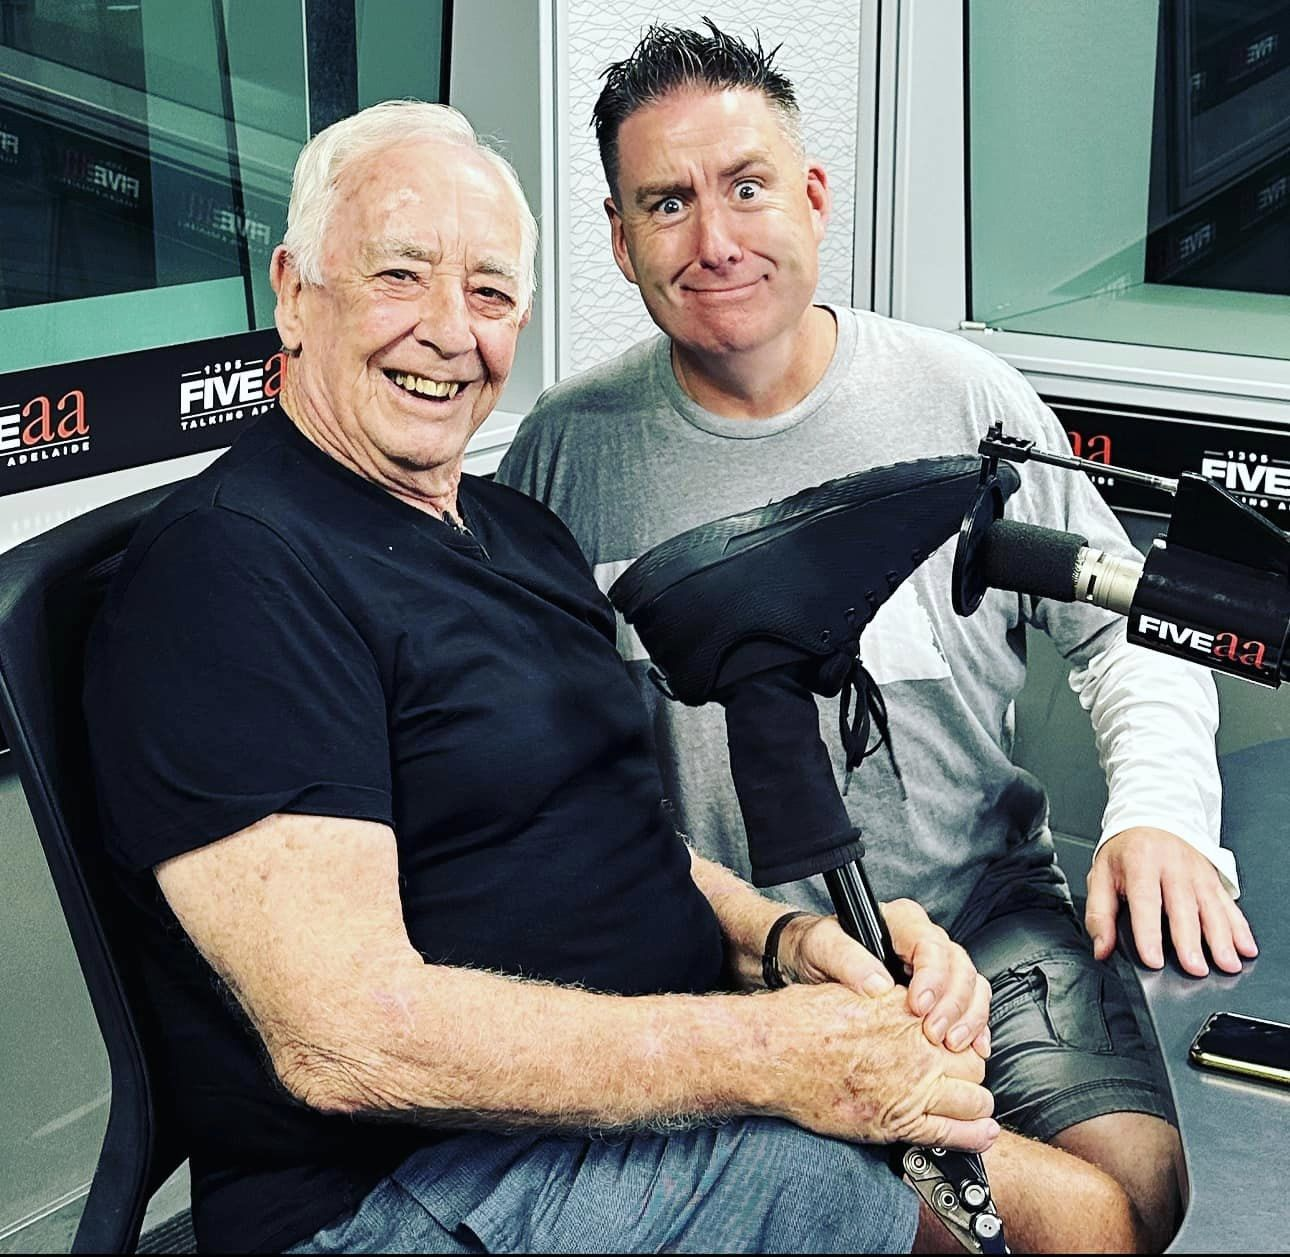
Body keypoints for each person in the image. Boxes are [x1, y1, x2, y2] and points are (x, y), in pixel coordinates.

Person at [81, 99, 1068, 1256]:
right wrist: (772, 1055)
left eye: (490, 292)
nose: (449, 332)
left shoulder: (517, 532)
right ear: (296, 293)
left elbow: (619, 843)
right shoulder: (232, 571)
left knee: (1097, 1207)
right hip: (412, 1195)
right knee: (1051, 1226)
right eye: (401, 275)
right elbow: (347, 1038)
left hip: (610, 1115)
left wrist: (786, 947)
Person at [496, 21, 1259, 1252]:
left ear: (813, 196)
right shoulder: (563, 454)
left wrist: (1161, 813)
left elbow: (1128, 630)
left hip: (981, 909)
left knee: (1127, 1190)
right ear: (621, 238)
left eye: (747, 187)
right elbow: (537, 770)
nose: (716, 240)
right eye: (668, 203)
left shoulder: (965, 402)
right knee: (964, 1227)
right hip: (723, 952)